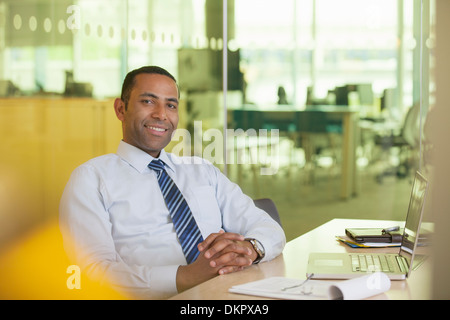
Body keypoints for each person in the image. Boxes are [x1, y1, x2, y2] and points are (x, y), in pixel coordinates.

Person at [59, 66, 285, 299]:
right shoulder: (90, 179)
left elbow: (269, 228)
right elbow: (91, 273)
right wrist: (187, 276)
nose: (161, 114)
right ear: (120, 109)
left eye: (171, 105)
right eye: (148, 102)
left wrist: (251, 249)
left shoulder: (202, 170)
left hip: (230, 293)